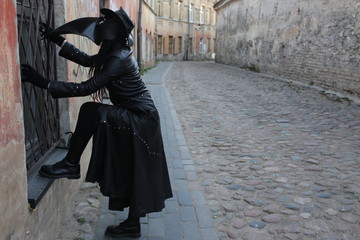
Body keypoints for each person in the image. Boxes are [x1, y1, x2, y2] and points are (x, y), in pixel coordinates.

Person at [21, 8, 172, 238]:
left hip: (141, 119)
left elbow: (86, 88)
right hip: (138, 116)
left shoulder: (118, 58)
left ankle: (71, 163)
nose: (101, 24)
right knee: (132, 167)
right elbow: (88, 59)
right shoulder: (113, 50)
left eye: (106, 22)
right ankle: (132, 225)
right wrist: (59, 40)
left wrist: (43, 82)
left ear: (114, 31)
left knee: (90, 110)